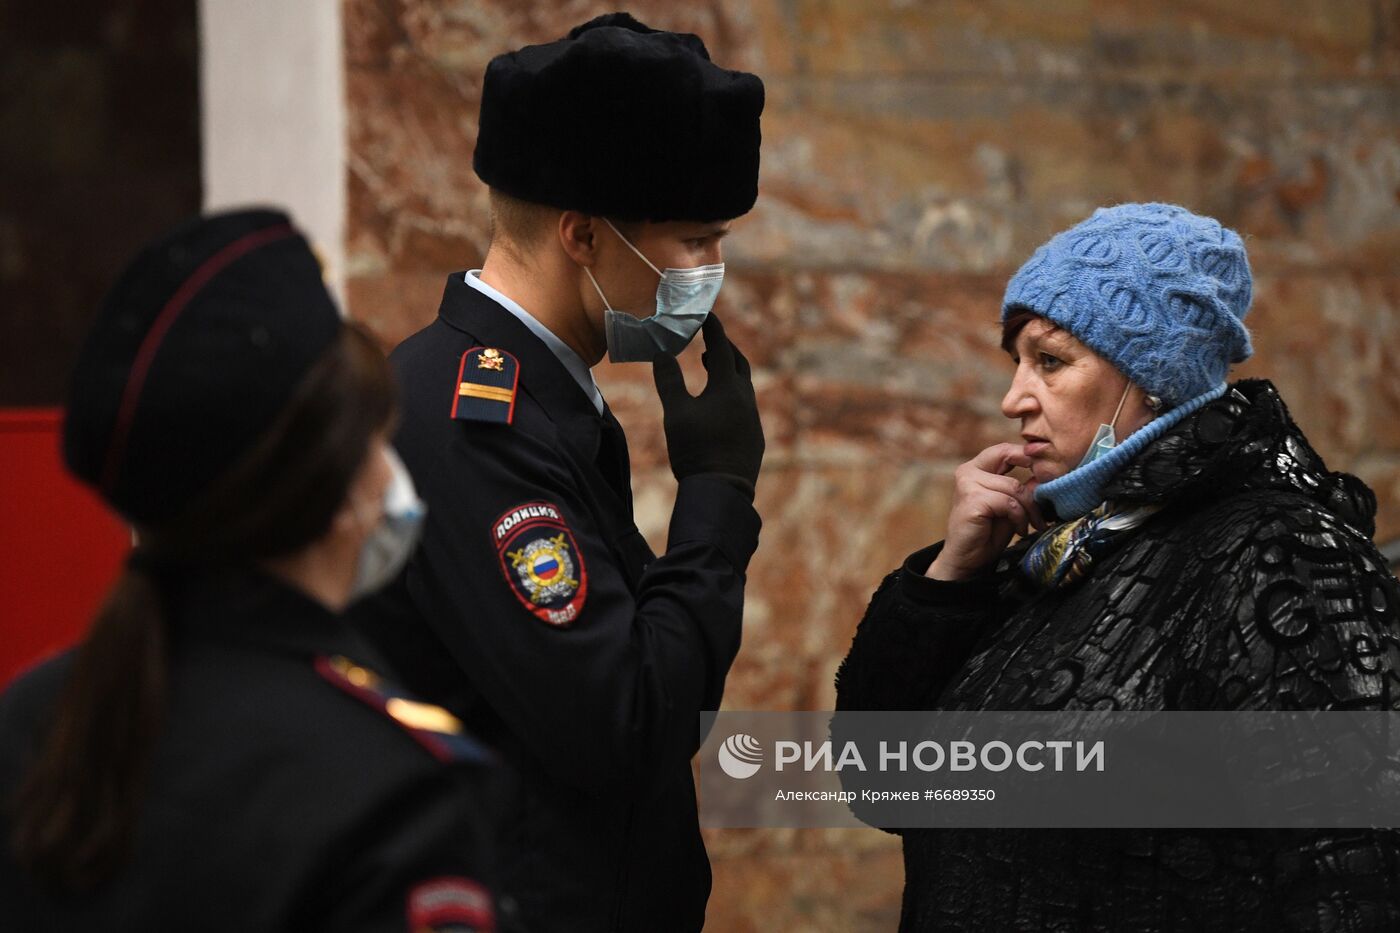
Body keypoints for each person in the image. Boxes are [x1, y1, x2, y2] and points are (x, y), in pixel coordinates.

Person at [835, 202, 1400, 931]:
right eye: (1016, 361)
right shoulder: (1065, 554)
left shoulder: (1279, 552)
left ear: (1152, 374)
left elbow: (1359, 874)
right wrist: (952, 578)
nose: (1013, 399)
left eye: (1050, 360)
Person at [347, 11, 766, 932]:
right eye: (694, 239)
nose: (713, 269)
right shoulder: (472, 422)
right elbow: (623, 723)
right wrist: (714, 499)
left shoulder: (539, 393)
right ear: (583, 235)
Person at [0, 209, 503, 932]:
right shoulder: (389, 789)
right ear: (332, 491)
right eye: (378, 443)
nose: (394, 475)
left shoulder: (36, 719)